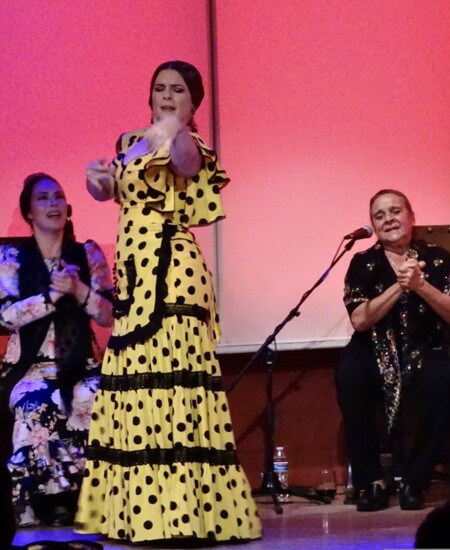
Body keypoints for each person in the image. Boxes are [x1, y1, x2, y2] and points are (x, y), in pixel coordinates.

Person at [75, 60, 262, 545]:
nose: (165, 94)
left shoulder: (190, 140)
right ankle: (127, 515)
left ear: (194, 100)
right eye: (159, 88)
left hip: (173, 275)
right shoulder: (128, 141)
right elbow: (108, 190)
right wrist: (96, 178)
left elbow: (184, 166)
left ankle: (179, 516)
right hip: (135, 277)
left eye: (177, 89)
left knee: (172, 387)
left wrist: (177, 122)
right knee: (129, 388)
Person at [335, 189, 450, 512]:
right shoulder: (362, 262)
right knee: (350, 373)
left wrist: (421, 285)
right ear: (373, 226)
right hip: (374, 348)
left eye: (395, 211)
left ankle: (415, 480)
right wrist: (399, 285)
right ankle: (373, 480)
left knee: (446, 376)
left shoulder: (438, 257)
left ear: (411, 217)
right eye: (379, 216)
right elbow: (360, 320)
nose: (388, 219)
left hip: (428, 346)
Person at [0, 173, 113, 528]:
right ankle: (44, 502)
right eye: (43, 198)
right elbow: (4, 317)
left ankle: (89, 501)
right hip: (30, 369)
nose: (53, 204)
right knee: (37, 404)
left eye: (59, 197)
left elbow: (108, 315)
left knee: (94, 399)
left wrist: (79, 291)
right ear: (29, 212)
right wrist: (49, 298)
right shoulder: (11, 257)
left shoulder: (88, 253)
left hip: (81, 364)